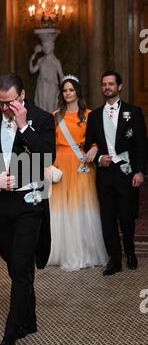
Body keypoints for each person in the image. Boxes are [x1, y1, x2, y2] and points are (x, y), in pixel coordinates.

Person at [0, 72, 56, 345]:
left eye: (9, 103)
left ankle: (10, 336)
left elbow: (48, 157)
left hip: (29, 204)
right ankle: (30, 319)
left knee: (21, 267)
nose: (4, 108)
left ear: (21, 97)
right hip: (1, 207)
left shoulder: (43, 119)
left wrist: (24, 128)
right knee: (13, 264)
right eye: (0, 103)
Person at [85, 70, 147, 275]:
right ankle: (114, 258)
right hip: (104, 174)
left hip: (126, 172)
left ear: (119, 87)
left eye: (111, 84)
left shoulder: (134, 112)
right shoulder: (94, 116)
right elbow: (87, 146)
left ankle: (130, 251)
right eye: (104, 84)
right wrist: (98, 157)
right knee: (107, 217)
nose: (107, 87)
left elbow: (141, 145)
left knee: (127, 216)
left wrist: (140, 172)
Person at [47, 75, 108, 270]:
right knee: (61, 206)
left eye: (71, 90)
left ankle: (85, 252)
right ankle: (62, 251)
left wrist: (95, 147)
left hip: (82, 163)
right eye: (65, 90)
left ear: (77, 92)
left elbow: (100, 138)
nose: (67, 93)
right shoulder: (55, 115)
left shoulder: (89, 115)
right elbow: (49, 142)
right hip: (61, 163)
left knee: (82, 203)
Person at [29, 40, 63, 113]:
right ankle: (43, 122)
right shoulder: (40, 60)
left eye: (48, 46)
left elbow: (61, 76)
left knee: (50, 105)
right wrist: (33, 56)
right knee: (42, 105)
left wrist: (63, 90)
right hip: (41, 85)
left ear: (52, 47)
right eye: (44, 47)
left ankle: (51, 122)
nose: (46, 48)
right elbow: (32, 70)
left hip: (52, 85)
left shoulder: (56, 61)